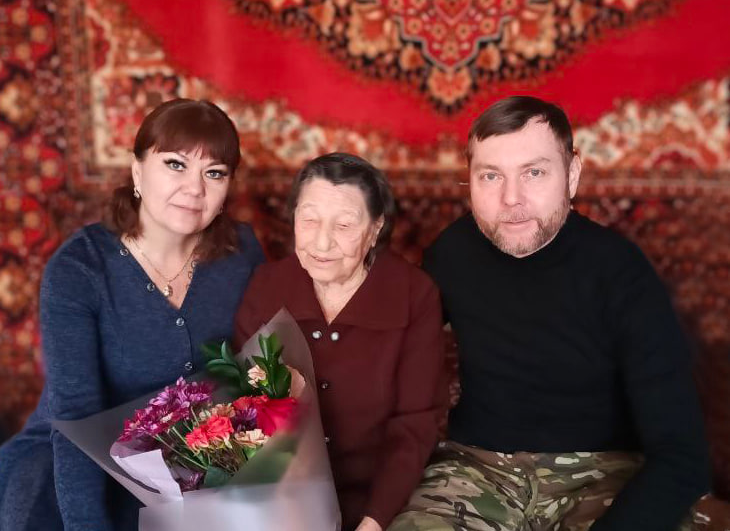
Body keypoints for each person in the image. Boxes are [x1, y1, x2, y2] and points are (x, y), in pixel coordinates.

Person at [389, 96, 710, 531]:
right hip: (475, 469)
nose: (511, 199)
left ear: (572, 174)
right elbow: (389, 344)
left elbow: (683, 453)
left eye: (534, 173)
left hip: (600, 473)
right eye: (490, 176)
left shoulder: (622, 272)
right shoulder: (450, 253)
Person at [0, 98, 265, 531]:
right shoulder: (79, 270)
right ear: (137, 171)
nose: (195, 188)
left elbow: (260, 373)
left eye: (214, 173)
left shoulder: (242, 251)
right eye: (176, 165)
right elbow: (75, 418)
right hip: (73, 464)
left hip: (188, 464)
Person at [233, 152, 447, 531]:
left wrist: (374, 521)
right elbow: (244, 407)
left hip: (382, 498)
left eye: (344, 225)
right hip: (282, 496)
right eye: (309, 219)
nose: (322, 242)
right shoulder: (266, 286)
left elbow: (414, 425)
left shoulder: (414, 294)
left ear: (375, 229)